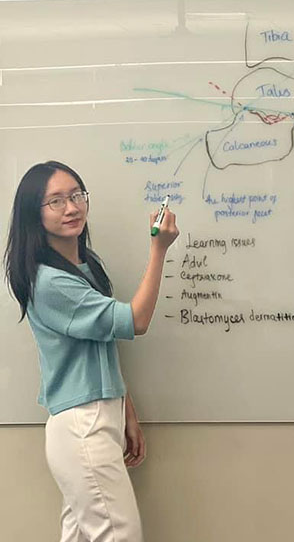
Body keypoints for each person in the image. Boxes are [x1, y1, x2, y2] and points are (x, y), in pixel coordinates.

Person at [3, 160, 179, 542]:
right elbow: (136, 321)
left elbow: (102, 344)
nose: (71, 207)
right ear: (34, 213)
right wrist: (158, 248)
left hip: (99, 416)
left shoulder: (84, 267)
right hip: (83, 425)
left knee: (83, 535)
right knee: (120, 535)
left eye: (77, 195)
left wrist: (126, 411)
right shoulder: (50, 282)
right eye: (56, 201)